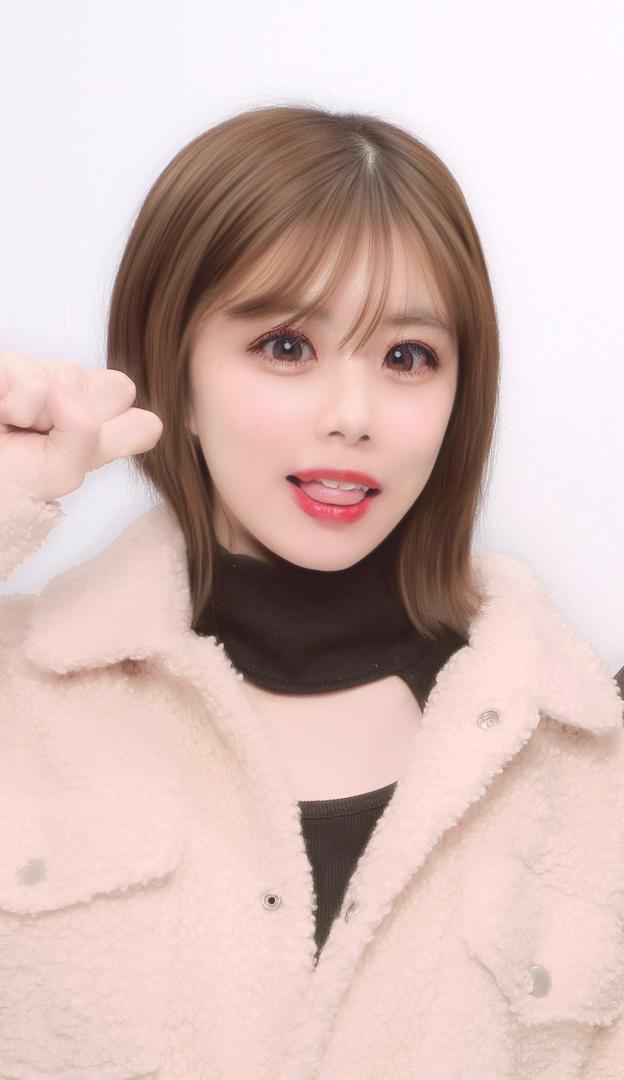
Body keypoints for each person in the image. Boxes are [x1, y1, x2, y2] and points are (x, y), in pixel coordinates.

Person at [1, 104, 623, 1079]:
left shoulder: (586, 761)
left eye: (408, 357)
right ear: (175, 367)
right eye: (287, 346)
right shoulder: (19, 698)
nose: (353, 416)